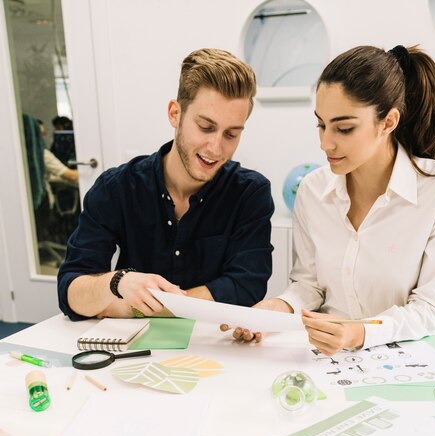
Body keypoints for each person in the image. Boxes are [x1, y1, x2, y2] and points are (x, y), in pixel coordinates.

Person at [228, 44, 435, 355]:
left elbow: (431, 309)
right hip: (325, 359)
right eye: (321, 124)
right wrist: (276, 308)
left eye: (344, 128)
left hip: (407, 359)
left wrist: (358, 333)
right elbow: (309, 285)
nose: (325, 142)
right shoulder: (313, 190)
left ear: (388, 122)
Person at [57, 48, 274, 320]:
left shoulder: (250, 192)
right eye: (206, 127)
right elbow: (71, 291)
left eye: (231, 134)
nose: (216, 148)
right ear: (175, 113)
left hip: (212, 346)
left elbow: (247, 286)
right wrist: (117, 282)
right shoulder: (117, 187)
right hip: (131, 347)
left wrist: (134, 308)